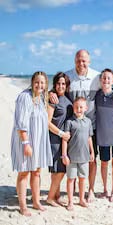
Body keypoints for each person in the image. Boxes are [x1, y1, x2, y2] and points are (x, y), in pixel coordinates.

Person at [49, 49, 113, 202]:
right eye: (78, 60)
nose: (81, 63)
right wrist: (50, 93)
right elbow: (59, 87)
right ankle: (74, 189)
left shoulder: (96, 77)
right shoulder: (68, 76)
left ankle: (90, 190)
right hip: (73, 127)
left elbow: (108, 88)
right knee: (73, 159)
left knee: (91, 159)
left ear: (89, 61)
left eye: (84, 60)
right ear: (74, 61)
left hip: (92, 126)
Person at [11, 71, 53, 216]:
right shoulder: (24, 97)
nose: (39, 85)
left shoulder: (41, 98)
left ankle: (36, 201)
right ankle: (23, 206)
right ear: (32, 82)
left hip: (38, 141)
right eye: (37, 82)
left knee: (36, 172)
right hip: (26, 141)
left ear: (46, 84)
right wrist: (26, 143)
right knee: (24, 172)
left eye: (42, 82)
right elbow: (20, 123)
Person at [95, 68, 113, 202]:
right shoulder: (97, 96)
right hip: (102, 136)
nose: (106, 80)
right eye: (104, 78)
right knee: (104, 163)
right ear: (100, 80)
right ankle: (105, 190)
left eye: (108, 78)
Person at [62, 97, 94, 210]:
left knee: (82, 178)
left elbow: (89, 138)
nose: (78, 109)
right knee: (71, 179)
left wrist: (92, 152)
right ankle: (70, 202)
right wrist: (64, 155)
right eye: (76, 107)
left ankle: (81, 199)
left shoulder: (88, 121)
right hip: (71, 157)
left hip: (84, 156)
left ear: (86, 108)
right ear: (73, 108)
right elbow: (65, 139)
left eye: (81, 107)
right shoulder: (69, 122)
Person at [46, 72, 73, 207]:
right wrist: (61, 133)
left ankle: (56, 195)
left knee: (57, 170)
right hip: (55, 139)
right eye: (58, 83)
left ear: (67, 85)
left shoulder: (68, 98)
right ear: (55, 84)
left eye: (63, 83)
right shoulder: (53, 99)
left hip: (65, 140)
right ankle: (50, 198)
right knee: (60, 171)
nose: (61, 86)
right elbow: (47, 122)